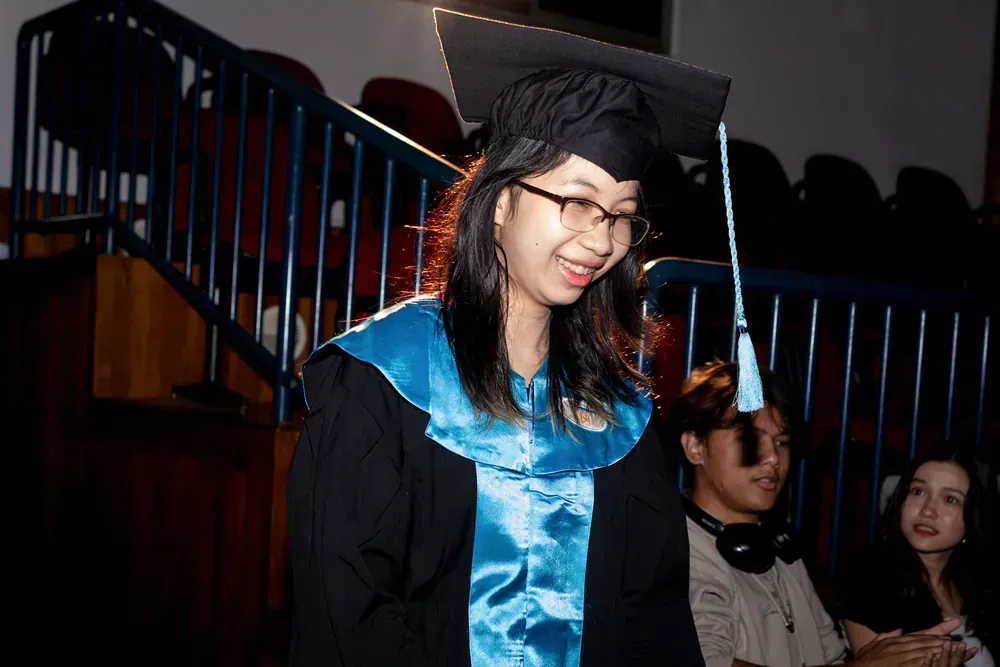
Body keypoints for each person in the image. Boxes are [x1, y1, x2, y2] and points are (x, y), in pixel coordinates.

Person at [287, 8, 745, 666]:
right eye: (578, 201)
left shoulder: (619, 423)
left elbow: (655, 628)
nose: (602, 239)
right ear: (501, 202)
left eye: (622, 216)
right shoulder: (384, 383)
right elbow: (347, 620)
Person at [673, 361, 974, 667]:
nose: (773, 458)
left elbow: (831, 659)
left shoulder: (777, 549)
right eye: (750, 439)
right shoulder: (674, 553)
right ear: (695, 446)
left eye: (782, 442)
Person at [840, 443, 996, 666]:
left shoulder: (979, 585)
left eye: (950, 499)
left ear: (974, 518)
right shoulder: (869, 579)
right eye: (918, 491)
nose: (927, 510)